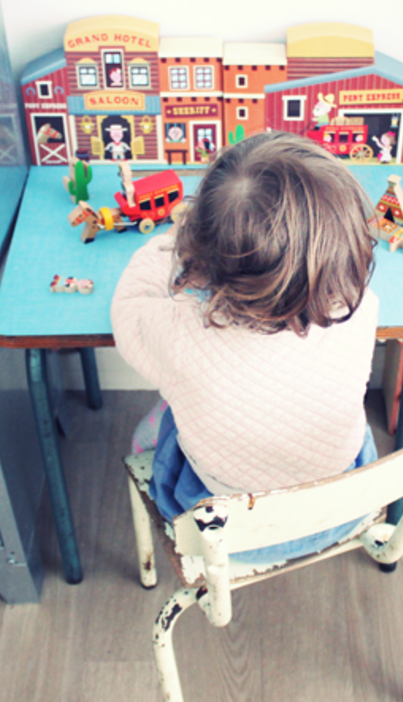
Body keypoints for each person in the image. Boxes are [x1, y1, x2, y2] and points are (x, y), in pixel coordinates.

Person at [111, 131, 379, 560]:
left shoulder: (180, 332)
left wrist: (171, 243)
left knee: (163, 421)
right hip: (341, 508)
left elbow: (128, 308)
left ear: (201, 257)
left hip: (227, 532)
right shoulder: (361, 311)